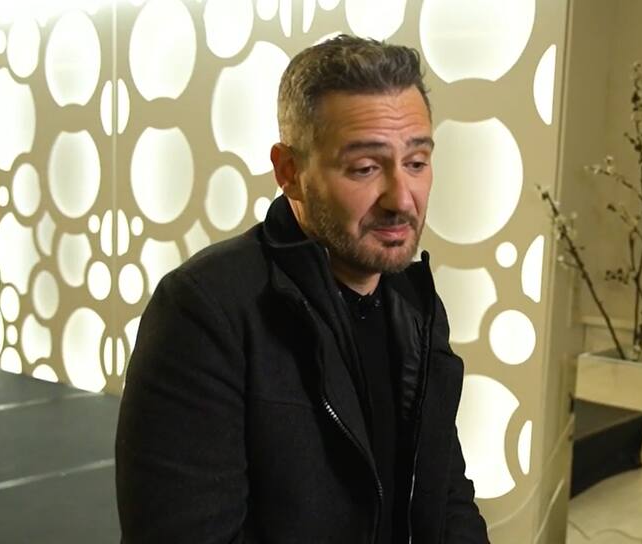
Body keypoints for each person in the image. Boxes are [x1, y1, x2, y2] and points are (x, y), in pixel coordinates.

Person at [115, 35, 490, 543]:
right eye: (365, 168)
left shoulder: (414, 303)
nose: (402, 198)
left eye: (417, 163)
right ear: (289, 172)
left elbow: (445, 496)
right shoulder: (205, 310)